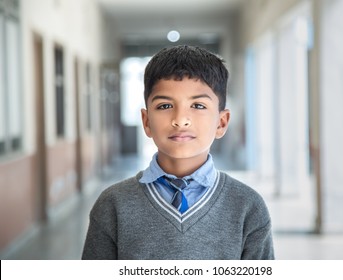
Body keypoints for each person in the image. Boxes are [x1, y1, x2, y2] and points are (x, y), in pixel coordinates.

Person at [82, 45, 274, 260]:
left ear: (221, 122)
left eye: (198, 106)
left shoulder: (248, 206)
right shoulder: (112, 205)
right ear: (146, 122)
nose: (180, 119)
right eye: (165, 106)